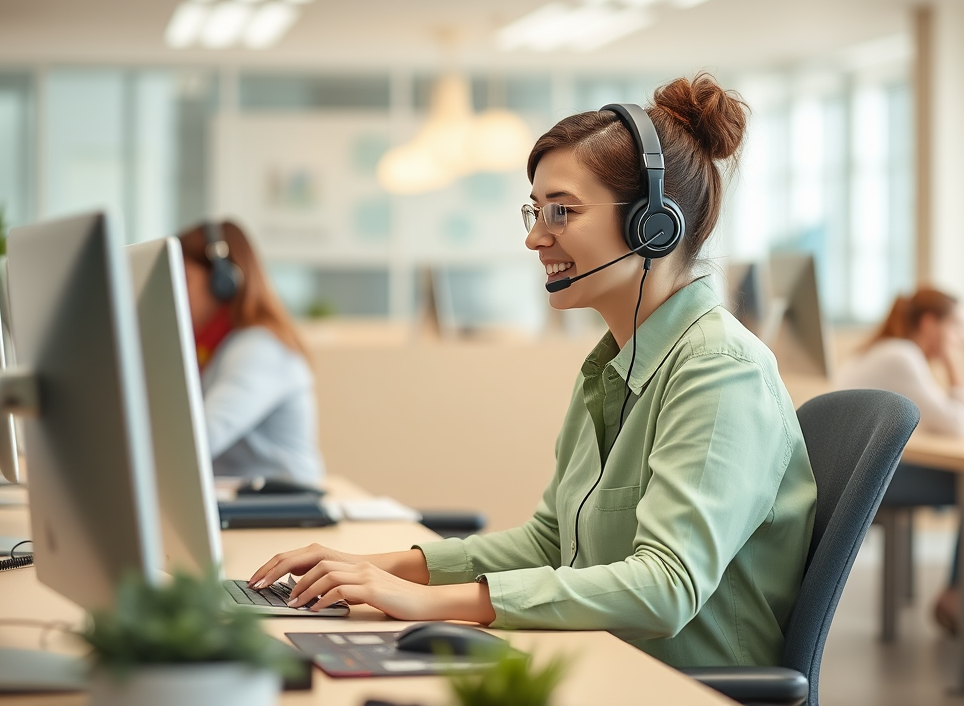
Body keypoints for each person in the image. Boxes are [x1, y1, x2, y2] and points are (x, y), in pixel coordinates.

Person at [247, 74, 818, 669]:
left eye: (562, 212)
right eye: (535, 211)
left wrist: (431, 603)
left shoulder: (721, 372)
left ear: (652, 225)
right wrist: (382, 568)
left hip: (681, 684)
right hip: (602, 659)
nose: (534, 237)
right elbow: (551, 541)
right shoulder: (610, 366)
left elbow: (665, 587)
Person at [835, 288, 964, 633]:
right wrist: (955, 371)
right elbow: (955, 425)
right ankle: (956, 595)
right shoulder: (902, 355)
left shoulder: (880, 351)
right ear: (928, 323)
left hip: (849, 473)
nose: (959, 337)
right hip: (865, 481)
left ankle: (955, 591)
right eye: (954, 327)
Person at [178, 221, 325, 486]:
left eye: (183, 279)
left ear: (222, 283)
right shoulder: (210, 346)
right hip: (238, 496)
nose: (173, 291)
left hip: (284, 505)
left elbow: (198, 440)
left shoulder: (261, 347)